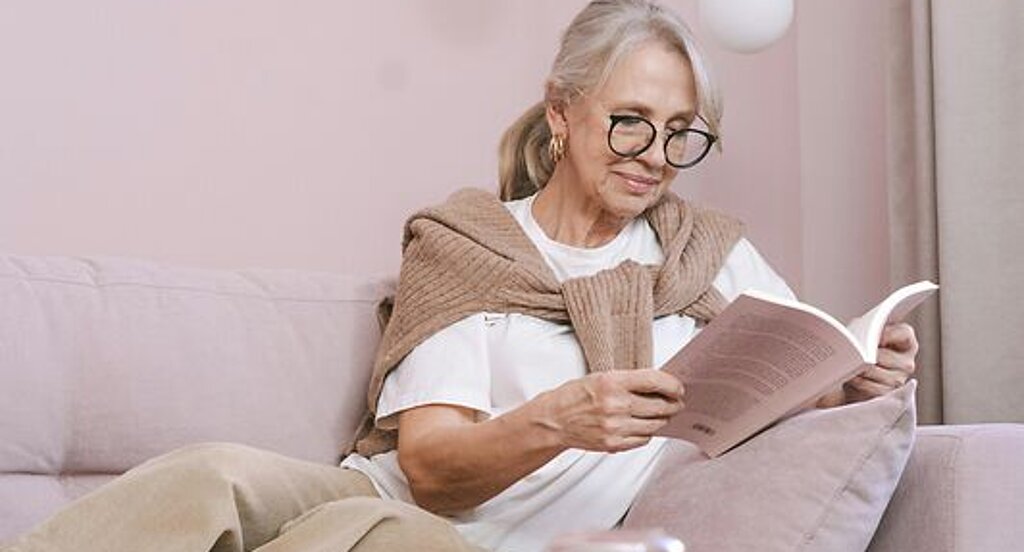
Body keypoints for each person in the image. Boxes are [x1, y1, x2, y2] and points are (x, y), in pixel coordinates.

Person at [3, 1, 919, 551]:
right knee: (214, 475)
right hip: (396, 498)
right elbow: (432, 469)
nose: (655, 155)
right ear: (561, 113)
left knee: (372, 541)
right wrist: (562, 419)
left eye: (681, 134)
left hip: (480, 546)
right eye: (631, 121)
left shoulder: (705, 257)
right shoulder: (471, 244)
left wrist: (857, 375)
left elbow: (794, 366)